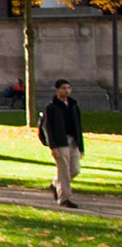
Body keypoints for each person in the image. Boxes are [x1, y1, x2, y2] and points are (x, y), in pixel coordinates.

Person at [39, 78, 84, 208]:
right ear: (57, 90)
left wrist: (81, 147)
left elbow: (78, 127)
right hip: (60, 141)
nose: (67, 91)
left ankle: (55, 184)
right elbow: (47, 128)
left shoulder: (73, 106)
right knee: (63, 170)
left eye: (68, 88)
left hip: (73, 141)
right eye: (64, 88)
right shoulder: (51, 107)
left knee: (75, 169)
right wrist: (53, 146)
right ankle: (64, 198)